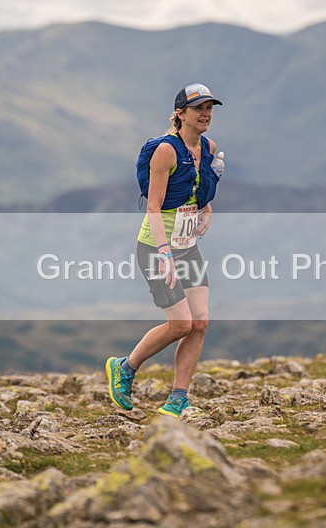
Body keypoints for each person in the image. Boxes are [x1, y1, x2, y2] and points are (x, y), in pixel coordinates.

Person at [105, 83, 223, 417]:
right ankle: (125, 367)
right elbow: (153, 207)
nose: (205, 114)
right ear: (180, 113)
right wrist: (164, 253)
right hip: (157, 247)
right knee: (181, 324)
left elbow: (197, 189)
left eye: (209, 108)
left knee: (199, 323)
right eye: (198, 108)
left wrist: (207, 210)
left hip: (187, 246)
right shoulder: (166, 151)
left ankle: (178, 398)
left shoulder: (209, 147)